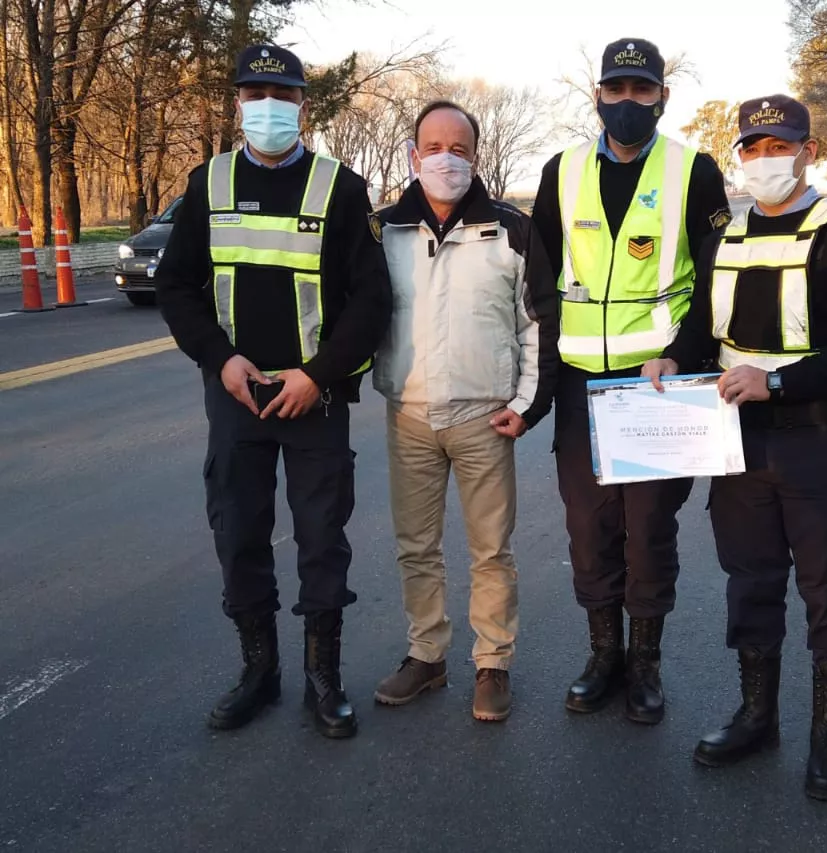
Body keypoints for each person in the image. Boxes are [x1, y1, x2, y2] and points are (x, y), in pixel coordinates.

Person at [643, 95, 827, 800]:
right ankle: (758, 715)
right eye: (751, 148)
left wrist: (777, 381)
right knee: (749, 579)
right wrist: (671, 356)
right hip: (739, 441)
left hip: (820, 441)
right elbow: (704, 323)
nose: (763, 160)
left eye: (776, 146)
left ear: (808, 151)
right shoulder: (725, 232)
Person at [156, 44, 392, 740]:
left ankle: (324, 677)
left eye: (281, 96)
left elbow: (371, 301)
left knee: (321, 538)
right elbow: (175, 286)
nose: (267, 107)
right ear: (237, 104)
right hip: (236, 396)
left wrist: (318, 374)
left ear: (302, 107)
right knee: (239, 533)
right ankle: (260, 671)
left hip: (312, 401)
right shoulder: (208, 183)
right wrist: (220, 358)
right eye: (254, 94)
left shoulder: (340, 190)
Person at [530, 38, 730, 725]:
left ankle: (646, 664)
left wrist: (683, 353)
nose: (626, 103)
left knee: (647, 530)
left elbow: (714, 282)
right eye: (615, 90)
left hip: (657, 386)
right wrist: (544, 376)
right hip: (581, 388)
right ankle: (603, 655)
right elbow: (541, 277)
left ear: (662, 98)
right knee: (590, 528)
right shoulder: (561, 171)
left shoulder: (693, 172)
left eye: (640, 90)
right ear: (596, 97)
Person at [370, 101, 558, 723]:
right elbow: (358, 320)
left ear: (476, 155)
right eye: (433, 145)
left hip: (485, 417)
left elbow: (537, 326)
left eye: (459, 147)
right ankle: (427, 656)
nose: (445, 157)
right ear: (413, 154)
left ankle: (492, 664)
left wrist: (529, 406)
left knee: (490, 550)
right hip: (409, 416)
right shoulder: (385, 232)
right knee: (416, 548)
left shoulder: (511, 229)